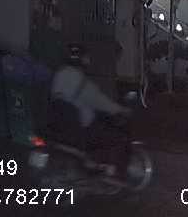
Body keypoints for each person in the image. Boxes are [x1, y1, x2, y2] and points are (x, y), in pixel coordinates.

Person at [50, 44, 132, 173]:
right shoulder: (81, 81)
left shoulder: (58, 75)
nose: (88, 60)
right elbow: (100, 101)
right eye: (86, 57)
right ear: (81, 59)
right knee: (117, 138)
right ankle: (111, 172)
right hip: (80, 129)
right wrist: (120, 109)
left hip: (60, 128)